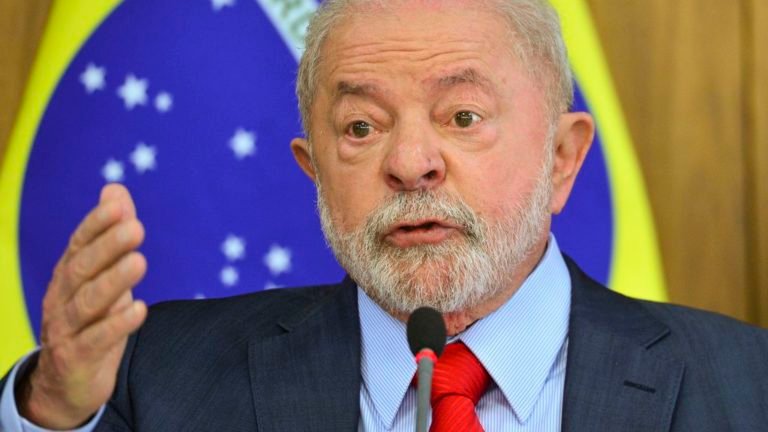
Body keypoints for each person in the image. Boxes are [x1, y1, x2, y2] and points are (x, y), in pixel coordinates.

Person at [2, 0, 767, 430]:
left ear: (562, 158)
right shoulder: (155, 378)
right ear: (314, 171)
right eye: (362, 127)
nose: (410, 162)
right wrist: (53, 409)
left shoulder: (746, 385)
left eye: (462, 116)